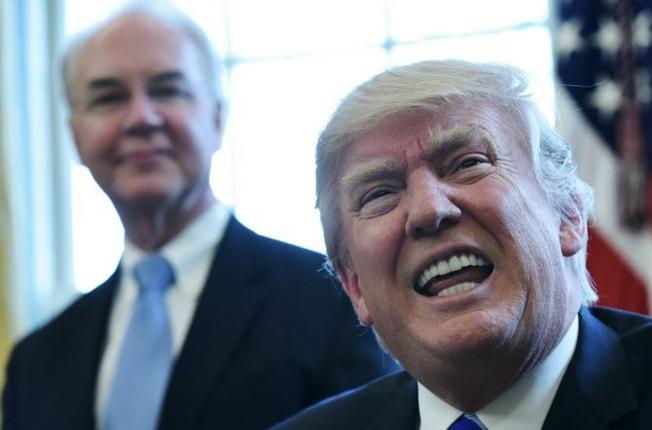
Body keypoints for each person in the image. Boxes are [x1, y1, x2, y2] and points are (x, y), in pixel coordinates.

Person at [271, 59, 652, 430]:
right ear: (356, 287)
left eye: (469, 163)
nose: (430, 210)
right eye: (380, 193)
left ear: (568, 217)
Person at [2, 3, 397, 429]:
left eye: (168, 90)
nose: (141, 118)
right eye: (108, 97)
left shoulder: (333, 302)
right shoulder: (35, 361)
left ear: (217, 117)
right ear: (76, 136)